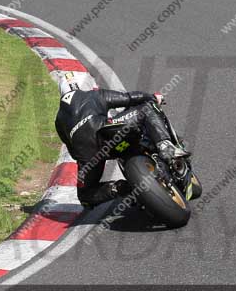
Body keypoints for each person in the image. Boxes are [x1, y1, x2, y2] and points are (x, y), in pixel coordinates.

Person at [55, 81, 189, 207]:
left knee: (85, 196)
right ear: (79, 88)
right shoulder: (93, 94)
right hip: (108, 132)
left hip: (89, 156)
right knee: (147, 108)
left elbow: (73, 152)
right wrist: (153, 97)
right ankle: (165, 146)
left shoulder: (59, 120)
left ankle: (122, 189)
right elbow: (129, 98)